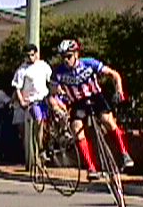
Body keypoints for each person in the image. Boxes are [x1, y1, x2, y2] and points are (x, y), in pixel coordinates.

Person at [51, 38, 134, 180]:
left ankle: (124, 153)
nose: (66, 60)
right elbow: (52, 93)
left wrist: (119, 90)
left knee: (107, 120)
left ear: (76, 54)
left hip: (95, 96)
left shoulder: (89, 63)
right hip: (78, 102)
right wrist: (57, 103)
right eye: (63, 57)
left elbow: (114, 74)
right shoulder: (59, 73)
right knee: (77, 128)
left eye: (69, 56)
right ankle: (91, 168)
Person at [12, 44, 52, 159]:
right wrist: (22, 102)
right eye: (27, 55)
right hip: (32, 102)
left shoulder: (43, 66)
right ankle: (40, 149)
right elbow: (18, 88)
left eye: (32, 55)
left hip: (44, 99)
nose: (30, 57)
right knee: (39, 121)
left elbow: (51, 80)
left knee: (56, 115)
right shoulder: (22, 70)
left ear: (36, 54)